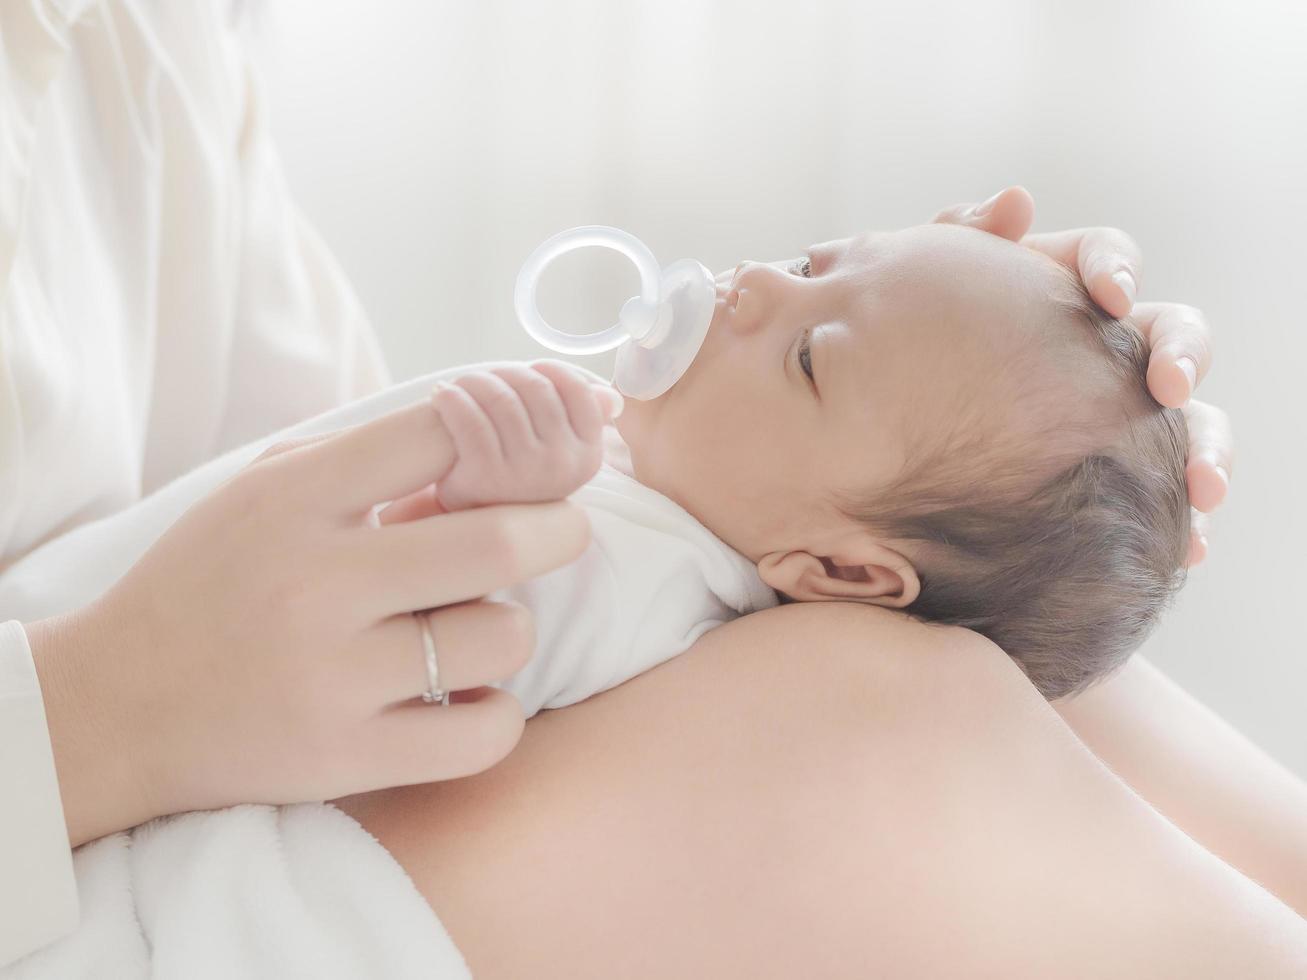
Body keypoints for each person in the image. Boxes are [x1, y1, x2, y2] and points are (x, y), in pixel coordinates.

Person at [5, 0, 1289, 974]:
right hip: (134, 887)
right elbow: (354, 618)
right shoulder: (643, 548)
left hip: (182, 810)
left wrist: (995, 367)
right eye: (808, 257)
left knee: (1040, 651)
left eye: (804, 347)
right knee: (914, 688)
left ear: (836, 566)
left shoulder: (133, 34)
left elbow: (301, 492)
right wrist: (105, 701)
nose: (759, 282)